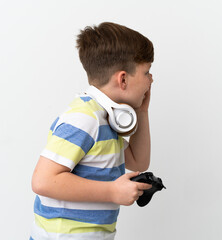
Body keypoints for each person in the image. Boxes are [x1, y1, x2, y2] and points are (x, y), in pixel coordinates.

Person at [30, 22, 154, 240]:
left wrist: (142, 111)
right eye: (147, 72)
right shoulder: (86, 118)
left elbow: (138, 161)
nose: (151, 80)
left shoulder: (107, 118)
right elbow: (43, 181)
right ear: (123, 79)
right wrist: (112, 191)